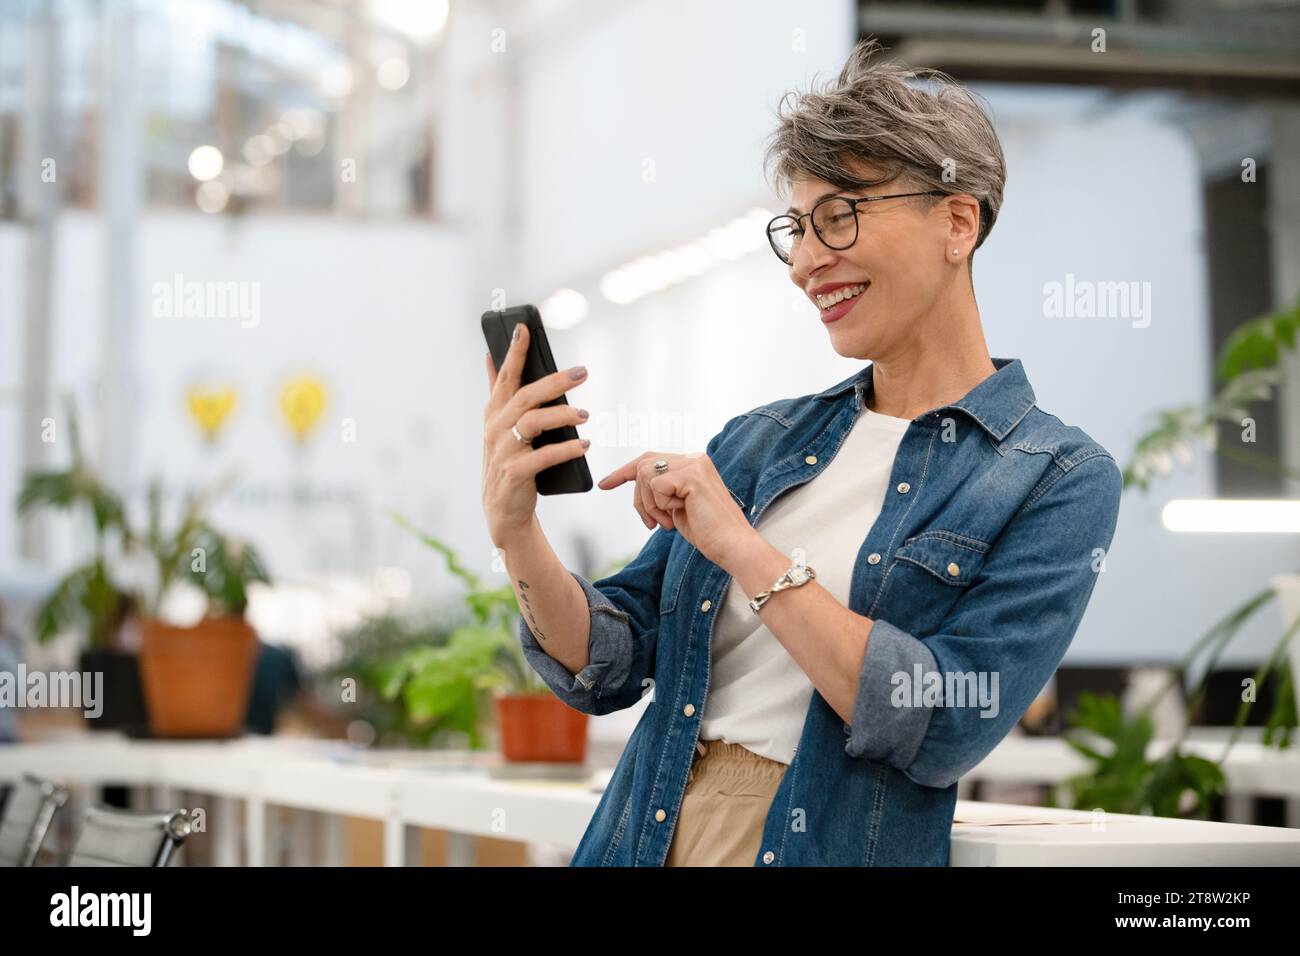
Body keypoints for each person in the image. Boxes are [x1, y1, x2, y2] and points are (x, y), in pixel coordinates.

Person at [480, 38, 1122, 866]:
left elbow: (940, 721)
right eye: (797, 229)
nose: (807, 263)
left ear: (957, 221)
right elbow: (606, 661)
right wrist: (516, 532)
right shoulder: (760, 442)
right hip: (645, 830)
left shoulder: (1053, 478)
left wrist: (742, 547)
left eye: (839, 217)